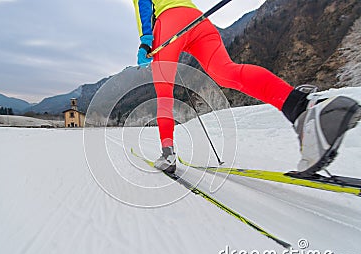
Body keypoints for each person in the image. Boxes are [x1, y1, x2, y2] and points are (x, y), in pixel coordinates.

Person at [132, 0, 361, 174]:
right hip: (198, 21)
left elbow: (144, 4)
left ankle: (167, 153)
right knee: (227, 72)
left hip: (167, 24)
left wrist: (145, 39)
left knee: (164, 92)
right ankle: (303, 109)